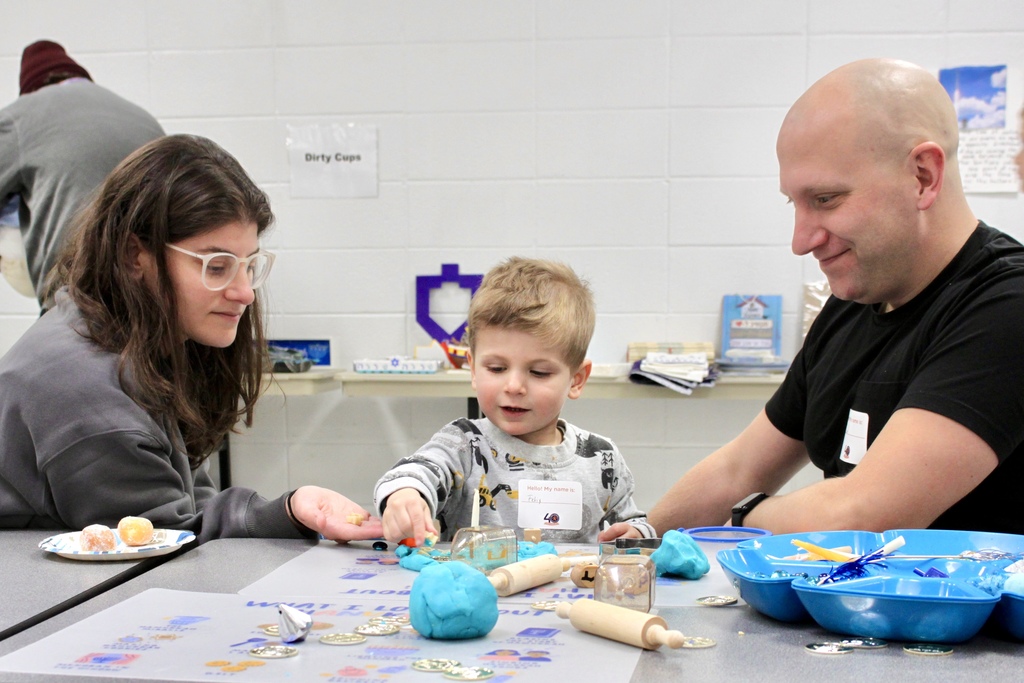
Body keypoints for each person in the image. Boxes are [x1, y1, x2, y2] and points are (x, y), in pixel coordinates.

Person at [641, 58, 1024, 538]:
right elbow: (737, 469)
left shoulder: (1005, 305)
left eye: (825, 200)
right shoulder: (854, 304)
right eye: (794, 204)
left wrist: (746, 514)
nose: (801, 241)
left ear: (923, 176)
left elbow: (860, 516)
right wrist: (632, 545)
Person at [0, 134, 383, 544]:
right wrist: (288, 512)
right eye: (216, 267)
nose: (245, 292)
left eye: (249, 266)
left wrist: (288, 510)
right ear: (135, 257)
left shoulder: (116, 333)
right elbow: (161, 543)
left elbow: (186, 502)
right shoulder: (85, 394)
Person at [374, 257, 654, 545]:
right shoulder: (464, 444)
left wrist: (636, 534)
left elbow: (634, 523)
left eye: (539, 372)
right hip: (482, 586)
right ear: (473, 369)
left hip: (571, 589)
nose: (514, 386)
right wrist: (406, 494)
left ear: (577, 379)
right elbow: (417, 471)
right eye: (496, 368)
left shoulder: (601, 458)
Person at [0, 39, 165, 306]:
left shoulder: (21, 116)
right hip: (151, 297)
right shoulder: (144, 118)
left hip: (75, 297)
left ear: (32, 90)